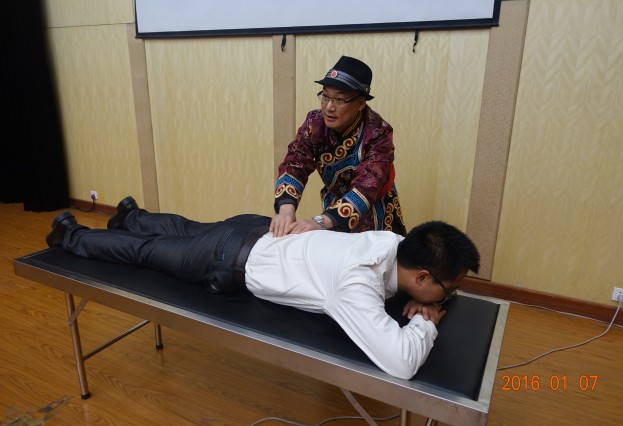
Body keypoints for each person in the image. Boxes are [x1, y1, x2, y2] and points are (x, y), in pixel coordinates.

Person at [46, 196, 480, 380]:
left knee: (185, 228)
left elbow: (412, 285)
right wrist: (426, 321)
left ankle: (131, 216)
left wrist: (426, 298)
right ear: (421, 278)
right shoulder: (356, 284)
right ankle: (71, 235)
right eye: (447, 289)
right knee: (148, 252)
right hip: (228, 259)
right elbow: (402, 362)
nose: (449, 297)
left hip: (255, 229)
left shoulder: (390, 241)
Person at [271, 55, 406, 237]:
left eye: (339, 100)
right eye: (325, 96)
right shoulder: (314, 123)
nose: (328, 107)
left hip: (375, 210)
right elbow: (295, 164)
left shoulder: (378, 132)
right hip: (334, 208)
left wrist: (320, 221)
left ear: (360, 103)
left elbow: (368, 185)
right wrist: (286, 210)